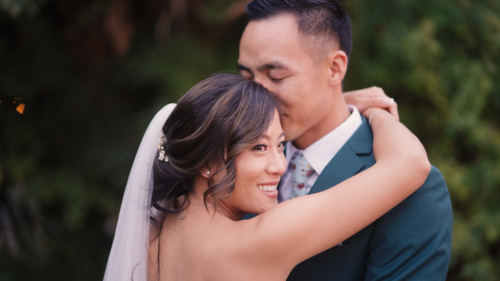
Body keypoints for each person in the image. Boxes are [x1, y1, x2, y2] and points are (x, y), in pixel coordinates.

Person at [103, 73, 431, 281]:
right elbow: (411, 163)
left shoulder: (158, 228)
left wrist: (339, 104)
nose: (280, 165)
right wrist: (373, 111)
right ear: (206, 161)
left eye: (281, 145)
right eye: (259, 148)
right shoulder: (260, 240)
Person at [237, 0, 453, 280]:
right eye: (245, 77)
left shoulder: (410, 186)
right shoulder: (230, 159)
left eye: (276, 76)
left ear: (335, 68)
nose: (255, 96)